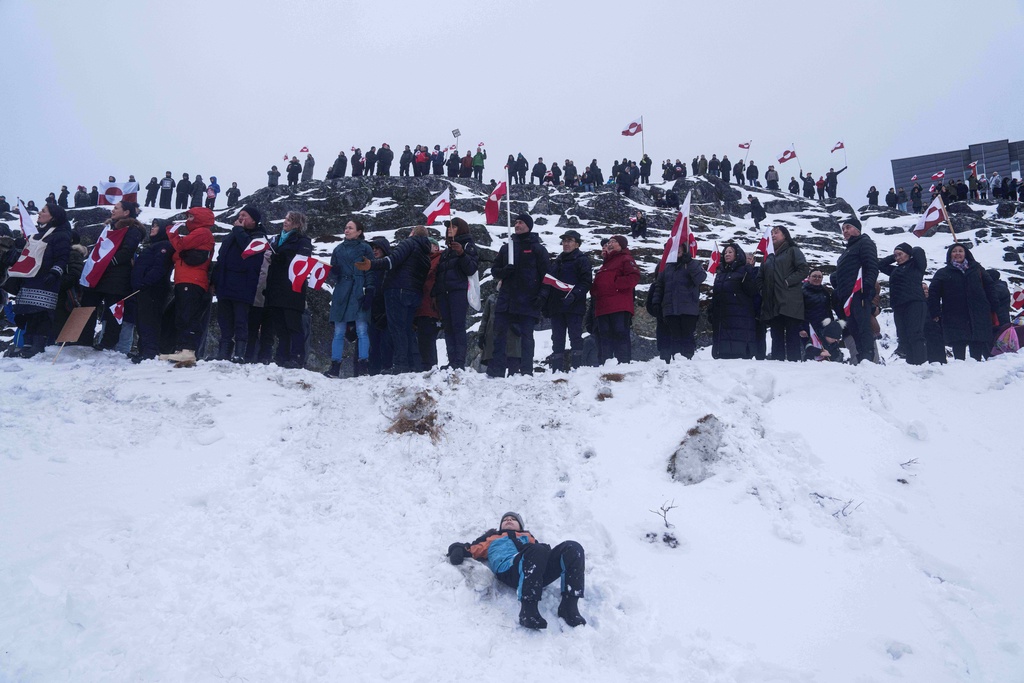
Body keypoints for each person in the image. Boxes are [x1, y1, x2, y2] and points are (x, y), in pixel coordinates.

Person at [446, 512, 586, 630]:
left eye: (513, 519)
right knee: (537, 550)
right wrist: (456, 549)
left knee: (573, 548)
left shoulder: (529, 538)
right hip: (510, 569)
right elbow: (469, 549)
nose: (509, 520)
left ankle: (569, 607)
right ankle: (528, 610)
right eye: (505, 519)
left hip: (536, 568)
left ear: (520, 525)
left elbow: (544, 554)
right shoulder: (491, 538)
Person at [355, 226, 432, 374]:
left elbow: (392, 260)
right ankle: (412, 364)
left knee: (397, 329)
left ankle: (400, 364)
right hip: (414, 293)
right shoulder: (425, 252)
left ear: (412, 233)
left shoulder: (409, 243)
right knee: (407, 329)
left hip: (398, 290)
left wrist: (371, 264)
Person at [0, 203, 72, 357]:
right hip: (30, 278)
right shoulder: (38, 234)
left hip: (46, 280)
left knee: (41, 314)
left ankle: (38, 346)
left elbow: (62, 258)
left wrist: (54, 272)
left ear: (54, 216)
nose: (39, 212)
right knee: (28, 313)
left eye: (44, 211)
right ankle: (27, 344)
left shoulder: (61, 235)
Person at [486, 213, 549, 377]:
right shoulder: (507, 247)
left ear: (528, 226)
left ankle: (527, 371)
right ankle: (496, 371)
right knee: (499, 335)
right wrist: (503, 272)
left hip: (528, 299)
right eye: (515, 222)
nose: (517, 224)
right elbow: (494, 270)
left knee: (527, 337)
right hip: (506, 299)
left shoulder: (538, 249)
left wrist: (542, 296)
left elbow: (547, 276)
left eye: (520, 222)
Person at [211, 204, 269, 362]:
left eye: (245, 215)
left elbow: (248, 249)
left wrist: (238, 230)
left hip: (243, 286)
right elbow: (221, 258)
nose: (240, 218)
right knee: (224, 320)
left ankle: (240, 353)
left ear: (254, 220)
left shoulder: (259, 237)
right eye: (240, 215)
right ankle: (223, 352)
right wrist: (214, 280)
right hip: (225, 284)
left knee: (241, 321)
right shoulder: (232, 235)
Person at [160, 207, 215, 364]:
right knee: (180, 315)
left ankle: (187, 350)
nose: (188, 220)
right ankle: (180, 349)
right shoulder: (197, 234)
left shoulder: (203, 232)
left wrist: (171, 232)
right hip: (186, 279)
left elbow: (181, 245)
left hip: (192, 280)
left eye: (191, 217)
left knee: (187, 315)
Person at [927, 243, 997, 361]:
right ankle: (960, 372)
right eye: (954, 251)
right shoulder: (943, 273)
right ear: (950, 255)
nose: (957, 254)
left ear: (966, 254)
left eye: (960, 251)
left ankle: (978, 369)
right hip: (954, 314)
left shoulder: (977, 269)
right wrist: (935, 312)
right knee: (958, 344)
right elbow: (934, 293)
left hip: (978, 313)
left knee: (977, 343)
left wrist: (993, 305)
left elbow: (990, 286)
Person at [324, 219, 375, 378]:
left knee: (361, 329)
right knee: (339, 331)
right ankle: (335, 367)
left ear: (359, 231)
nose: (346, 230)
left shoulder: (366, 248)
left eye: (350, 228)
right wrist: (335, 272)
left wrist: (370, 290)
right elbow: (332, 273)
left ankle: (363, 367)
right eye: (346, 227)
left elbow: (370, 271)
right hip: (341, 291)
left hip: (358, 289)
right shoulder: (338, 249)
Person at [262, 211, 313, 367]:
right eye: (285, 218)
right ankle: (281, 356)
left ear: (297, 224)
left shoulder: (303, 241)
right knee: (280, 327)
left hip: (292, 290)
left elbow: (302, 262)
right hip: (276, 288)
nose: (285, 222)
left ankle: (297, 356)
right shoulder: (276, 240)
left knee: (293, 325)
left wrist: (284, 259)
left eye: (289, 220)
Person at [433, 217, 479, 370]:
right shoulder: (446, 251)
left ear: (462, 229)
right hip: (444, 293)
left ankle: (459, 362)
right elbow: (440, 274)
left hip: (458, 291)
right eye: (448, 227)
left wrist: (461, 253)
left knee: (458, 326)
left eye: (453, 227)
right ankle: (452, 360)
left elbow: (471, 269)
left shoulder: (468, 246)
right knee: (448, 327)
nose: (449, 229)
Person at [831, 216, 878, 365]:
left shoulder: (865, 242)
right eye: (843, 229)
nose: (845, 231)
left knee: (863, 326)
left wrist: (867, 288)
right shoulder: (846, 251)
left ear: (857, 229)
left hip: (859, 293)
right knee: (854, 327)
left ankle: (868, 357)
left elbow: (871, 266)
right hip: (846, 297)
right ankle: (861, 357)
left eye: (848, 227)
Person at [757, 225, 809, 361]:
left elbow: (803, 269)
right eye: (772, 233)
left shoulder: (793, 250)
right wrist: (763, 291)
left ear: (785, 235)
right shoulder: (767, 256)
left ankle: (794, 364)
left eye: (776, 233)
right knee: (776, 336)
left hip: (790, 301)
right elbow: (759, 277)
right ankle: (777, 364)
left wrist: (787, 282)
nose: (773, 235)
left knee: (792, 335)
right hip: (773, 302)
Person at [544, 229, 592, 371]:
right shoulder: (557, 261)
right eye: (564, 241)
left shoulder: (582, 260)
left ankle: (578, 370)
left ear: (577, 244)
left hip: (574, 307)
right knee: (557, 339)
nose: (566, 243)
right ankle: (556, 371)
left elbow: (586, 282)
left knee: (575, 337)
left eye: (569, 240)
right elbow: (550, 283)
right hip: (557, 307)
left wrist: (574, 295)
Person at [649, 244, 707, 361]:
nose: (678, 250)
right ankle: (676, 361)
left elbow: (700, 278)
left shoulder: (692, 264)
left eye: (680, 247)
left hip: (688, 308)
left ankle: (688, 360)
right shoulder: (666, 266)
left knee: (687, 336)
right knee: (674, 337)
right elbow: (659, 286)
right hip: (670, 309)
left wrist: (689, 262)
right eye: (675, 248)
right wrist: (656, 302)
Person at [128, 219, 174, 362]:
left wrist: (144, 282)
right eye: (152, 226)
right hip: (144, 289)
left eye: (156, 227)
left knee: (150, 321)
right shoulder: (154, 245)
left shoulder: (165, 245)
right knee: (142, 320)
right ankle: (144, 350)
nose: (152, 229)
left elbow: (159, 268)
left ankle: (150, 352)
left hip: (154, 290)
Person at [591, 235, 640, 363]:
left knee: (620, 334)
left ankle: (623, 364)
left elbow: (634, 277)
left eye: (614, 241)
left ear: (621, 245)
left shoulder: (625, 258)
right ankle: (605, 364)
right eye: (609, 242)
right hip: (603, 306)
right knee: (604, 336)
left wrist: (614, 285)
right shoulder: (605, 264)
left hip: (619, 304)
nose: (610, 244)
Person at [880, 242, 927, 365]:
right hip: (898, 305)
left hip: (914, 303)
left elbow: (919, 251)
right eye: (896, 256)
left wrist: (910, 250)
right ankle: (911, 363)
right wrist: (894, 255)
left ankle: (921, 363)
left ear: (909, 254)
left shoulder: (916, 266)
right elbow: (880, 265)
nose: (898, 258)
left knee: (915, 333)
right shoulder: (895, 270)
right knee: (903, 335)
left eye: (900, 254)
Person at [709, 243, 758, 359]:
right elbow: (716, 295)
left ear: (737, 255)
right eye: (725, 252)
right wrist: (711, 312)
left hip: (740, 318)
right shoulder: (720, 274)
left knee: (737, 358)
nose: (727, 254)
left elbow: (752, 292)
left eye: (730, 252)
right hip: (722, 319)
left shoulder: (744, 271)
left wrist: (749, 273)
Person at [800, 270, 843, 361]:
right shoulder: (802, 291)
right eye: (814, 276)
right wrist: (800, 328)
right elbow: (798, 311)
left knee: (825, 352)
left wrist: (832, 327)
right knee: (808, 352)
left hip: (823, 328)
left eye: (819, 277)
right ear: (809, 277)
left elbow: (828, 310)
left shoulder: (825, 292)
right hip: (808, 327)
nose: (817, 279)